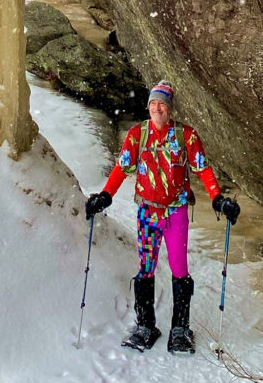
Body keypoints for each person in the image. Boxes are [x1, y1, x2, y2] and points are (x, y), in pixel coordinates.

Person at [85, 80, 240, 354]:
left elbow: (203, 169)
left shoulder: (186, 137)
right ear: (149, 106)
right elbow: (121, 169)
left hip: (175, 211)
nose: (157, 108)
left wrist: (217, 199)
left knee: (180, 269)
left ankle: (180, 329)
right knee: (146, 267)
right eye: (153, 103)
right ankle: (146, 326)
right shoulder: (137, 135)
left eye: (162, 104)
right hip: (147, 211)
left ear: (169, 108)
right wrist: (105, 196)